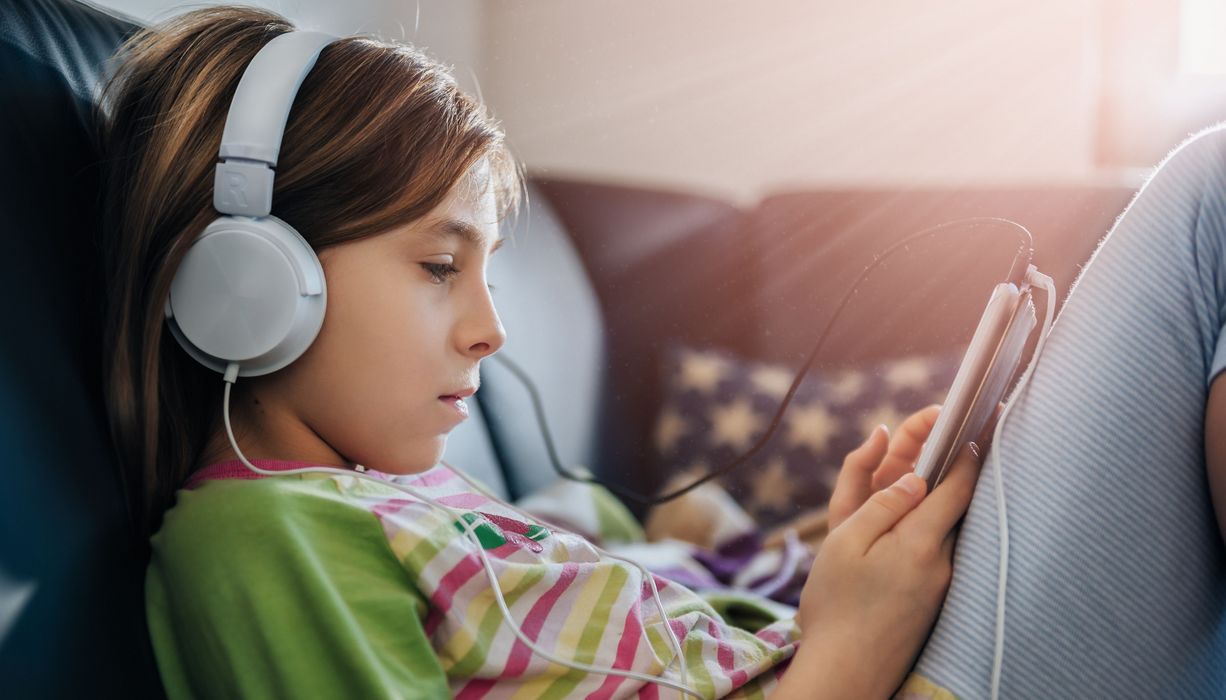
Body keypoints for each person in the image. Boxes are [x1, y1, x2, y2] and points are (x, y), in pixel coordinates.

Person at [92, 6, 1143, 699]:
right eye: (436, 265)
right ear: (246, 285)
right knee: (1198, 199)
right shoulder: (255, 535)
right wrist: (847, 646)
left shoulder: (396, 494)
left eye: (487, 272)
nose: (489, 331)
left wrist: (839, 571)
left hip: (834, 654)